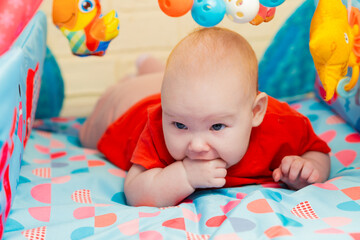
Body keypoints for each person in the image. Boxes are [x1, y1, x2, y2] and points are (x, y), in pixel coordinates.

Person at [79, 27, 331, 207]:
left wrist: (307, 169)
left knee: (166, 85)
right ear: (167, 113)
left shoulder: (281, 124)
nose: (197, 145)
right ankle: (139, 74)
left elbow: (317, 152)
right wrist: (184, 176)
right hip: (129, 107)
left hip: (180, 97)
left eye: (217, 126)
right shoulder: (155, 125)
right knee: (90, 131)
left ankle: (150, 67)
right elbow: (136, 193)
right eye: (179, 125)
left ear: (256, 112)